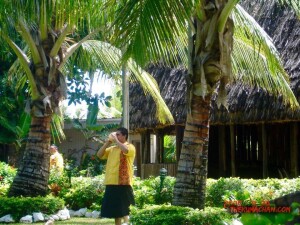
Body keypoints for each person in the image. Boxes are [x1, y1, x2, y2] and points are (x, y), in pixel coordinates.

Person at [97, 127, 136, 225]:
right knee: (116, 210)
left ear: (124, 136)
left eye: (118, 134)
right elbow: (99, 154)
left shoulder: (130, 146)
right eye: (116, 134)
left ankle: (127, 223)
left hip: (124, 183)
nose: (116, 136)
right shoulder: (112, 149)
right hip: (111, 182)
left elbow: (125, 150)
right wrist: (108, 142)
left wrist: (116, 140)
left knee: (125, 208)